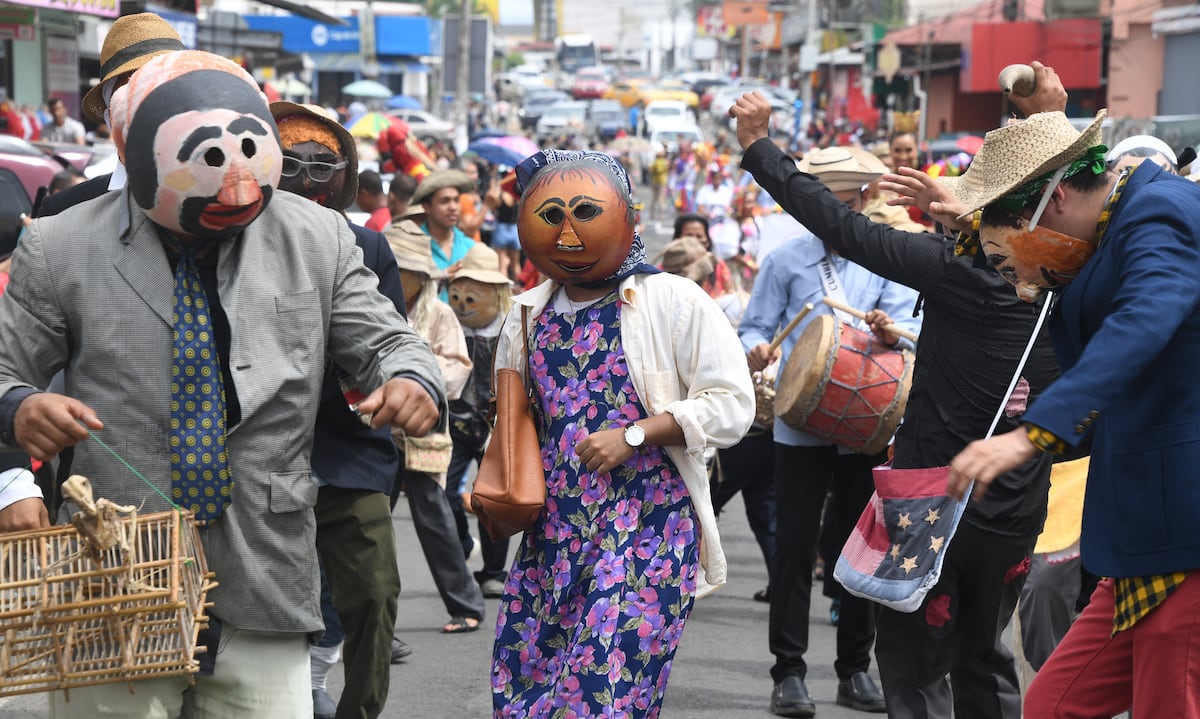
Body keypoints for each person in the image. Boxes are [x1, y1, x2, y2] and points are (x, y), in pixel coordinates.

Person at [0, 51, 443, 718]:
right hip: (117, 571)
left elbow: (388, 341)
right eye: (205, 160)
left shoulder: (319, 238)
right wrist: (17, 405)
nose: (233, 188)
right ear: (133, 150)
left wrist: (411, 379)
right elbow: (6, 368)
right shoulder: (59, 246)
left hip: (264, 569)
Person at [730, 82, 1060, 719]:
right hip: (1015, 510)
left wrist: (760, 146)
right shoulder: (1074, 283)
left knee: (914, 666)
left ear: (982, 210)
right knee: (987, 662)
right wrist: (1048, 119)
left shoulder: (947, 267)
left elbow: (841, 228)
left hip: (925, 500)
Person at [938, 76, 1200, 719]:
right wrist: (1049, 125)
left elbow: (1142, 322)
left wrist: (1031, 435)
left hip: (1187, 525)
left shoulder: (1160, 212)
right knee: (1052, 704)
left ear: (1046, 209)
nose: (1017, 275)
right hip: (1147, 526)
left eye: (1008, 255)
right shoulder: (1109, 225)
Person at [490, 149, 755, 716]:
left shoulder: (672, 300)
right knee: (528, 682)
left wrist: (636, 434)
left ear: (627, 216)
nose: (566, 234)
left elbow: (733, 405)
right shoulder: (526, 314)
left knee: (604, 688)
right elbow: (514, 420)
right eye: (549, 216)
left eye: (585, 212)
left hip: (649, 528)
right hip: (555, 531)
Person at [737, 145, 921, 717]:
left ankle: (853, 669)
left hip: (864, 428)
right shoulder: (785, 260)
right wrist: (757, 350)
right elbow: (753, 329)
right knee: (793, 549)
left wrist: (893, 332)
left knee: (860, 549)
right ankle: (788, 671)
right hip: (799, 427)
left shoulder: (886, 257)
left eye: (837, 205)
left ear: (860, 201)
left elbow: (912, 328)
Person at [269, 100, 407, 719]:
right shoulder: (230, 238)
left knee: (374, 593)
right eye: (289, 162)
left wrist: (406, 383)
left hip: (348, 447)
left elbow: (390, 340)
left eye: (320, 165)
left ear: (343, 176)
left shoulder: (368, 246)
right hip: (256, 447)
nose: (305, 177)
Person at [384, 217, 486, 636]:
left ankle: (465, 602)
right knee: (368, 522)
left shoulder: (438, 313)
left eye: (404, 272)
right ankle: (368, 619)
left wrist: (414, 381)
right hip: (377, 427)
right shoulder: (371, 303)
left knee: (432, 513)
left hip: (422, 429)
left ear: (420, 276)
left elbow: (457, 368)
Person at [37, 12, 184, 217]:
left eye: (168, 90)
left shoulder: (227, 205)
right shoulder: (64, 211)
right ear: (111, 115)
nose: (156, 111)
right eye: (136, 95)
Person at [442, 242, 514, 598]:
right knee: (443, 492)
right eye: (461, 292)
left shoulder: (512, 325)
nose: (464, 303)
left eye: (476, 293)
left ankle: (494, 570)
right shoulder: (445, 321)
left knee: (491, 500)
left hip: (493, 425)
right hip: (453, 420)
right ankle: (459, 539)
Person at [411, 170, 475, 300]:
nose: (453, 207)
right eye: (444, 201)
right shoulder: (412, 246)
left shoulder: (470, 247)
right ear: (427, 207)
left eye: (456, 200)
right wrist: (442, 275)